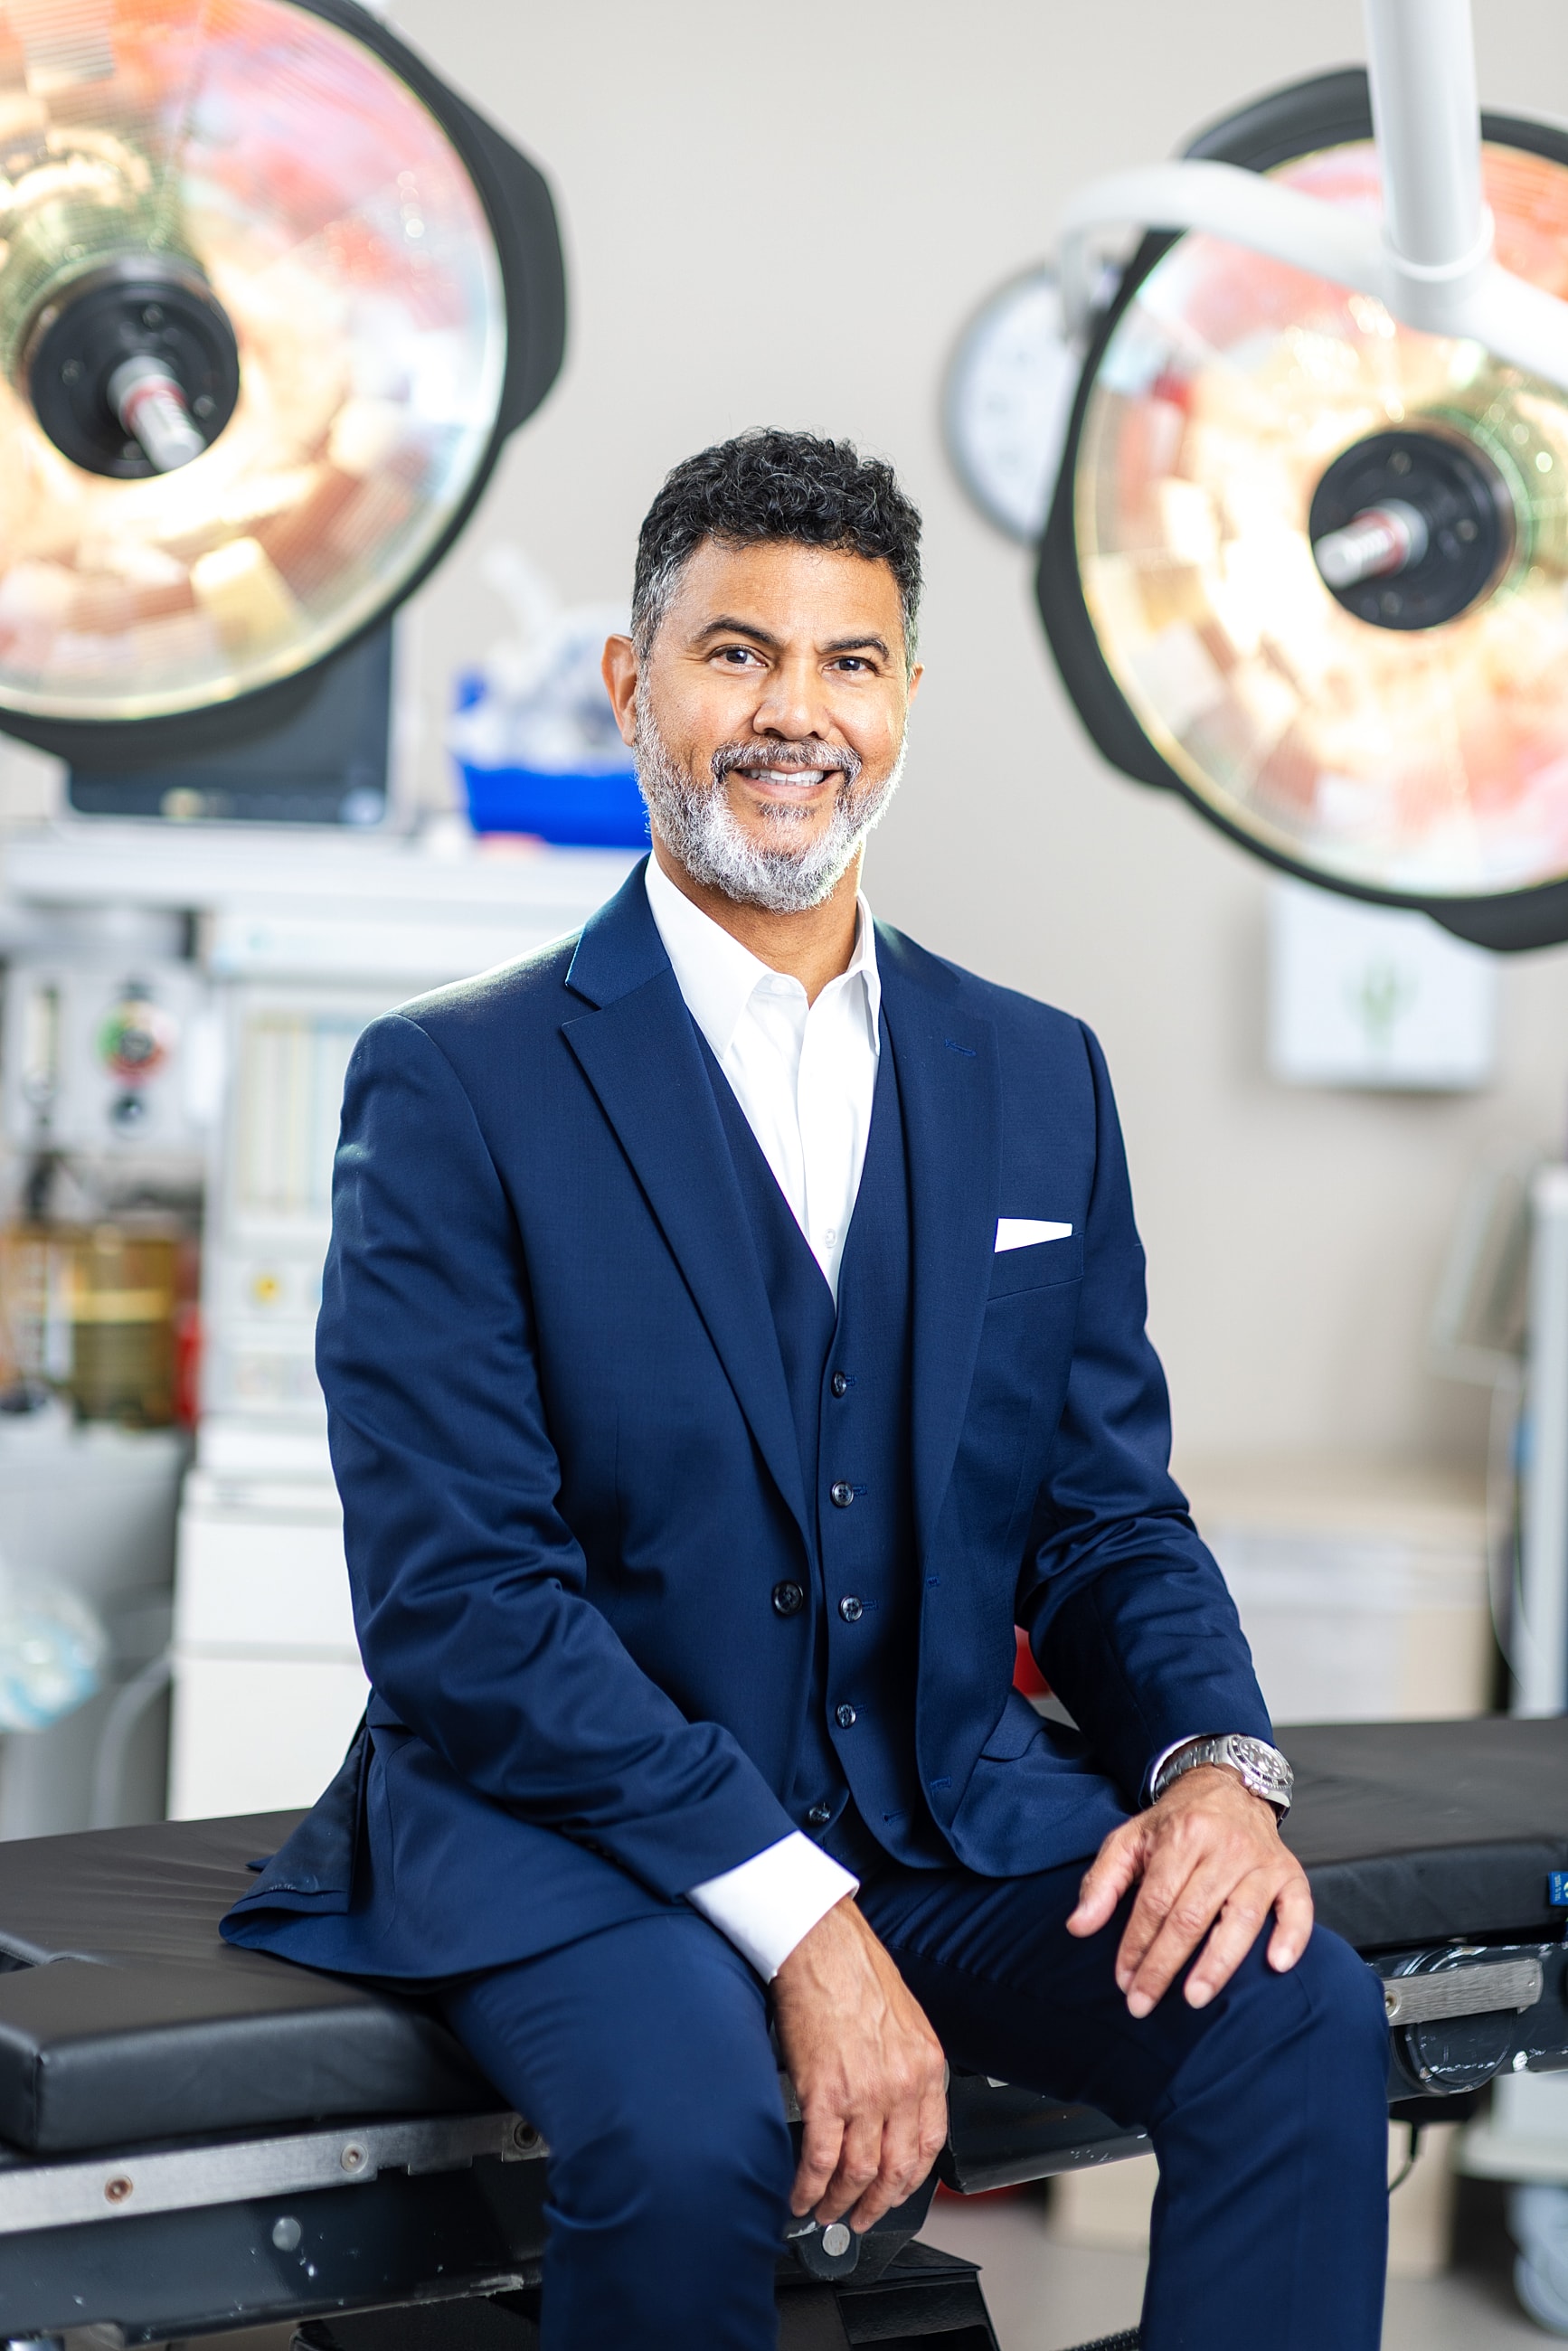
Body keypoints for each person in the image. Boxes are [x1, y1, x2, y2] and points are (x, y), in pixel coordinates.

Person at [224, 430, 1390, 2351]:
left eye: (850, 662)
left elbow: (1103, 1514)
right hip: (576, 1834)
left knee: (1295, 2006)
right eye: (737, 652)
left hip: (940, 1814)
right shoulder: (459, 1090)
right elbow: (462, 1604)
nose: (795, 714)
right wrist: (797, 1918)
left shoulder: (1035, 1072)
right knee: (695, 2133)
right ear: (634, 683)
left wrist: (1214, 1768)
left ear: (907, 699)